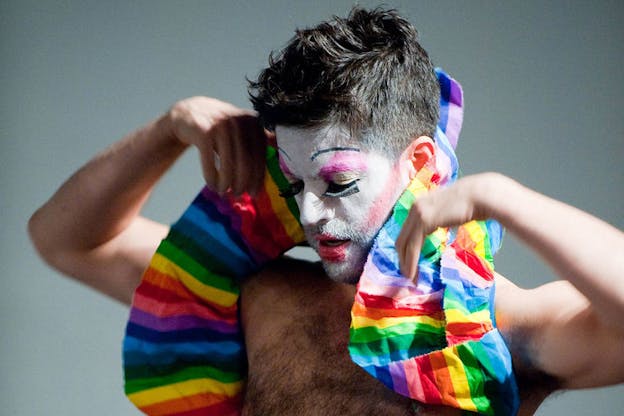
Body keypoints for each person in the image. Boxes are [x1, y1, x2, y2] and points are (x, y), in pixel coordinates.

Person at [28, 7, 623, 416]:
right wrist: (166, 131)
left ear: (417, 162)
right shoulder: (264, 298)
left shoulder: (496, 322)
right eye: (293, 181)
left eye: (337, 181)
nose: (312, 212)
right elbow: (68, 242)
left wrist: (507, 200)